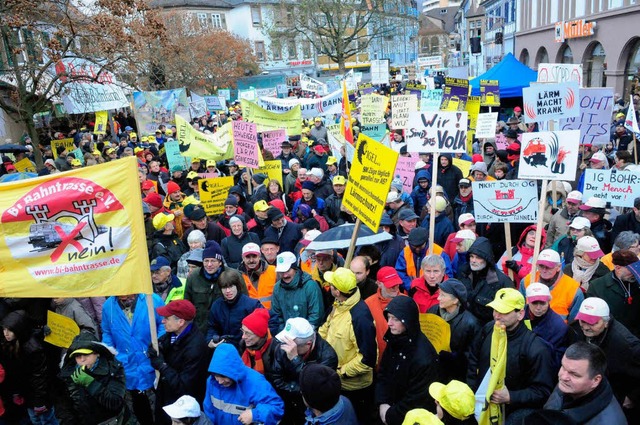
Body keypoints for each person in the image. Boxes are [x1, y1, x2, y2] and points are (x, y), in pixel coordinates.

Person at [467, 288, 556, 423]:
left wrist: (511, 397)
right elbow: (473, 358)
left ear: (520, 314)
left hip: (511, 413)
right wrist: (474, 390)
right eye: (495, 310)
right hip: (481, 407)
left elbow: (543, 392)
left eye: (504, 312)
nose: (497, 316)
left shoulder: (536, 348)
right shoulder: (489, 328)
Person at [319, 268, 378, 423]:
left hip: (355, 389)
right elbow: (324, 330)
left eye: (331, 284)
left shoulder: (359, 317)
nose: (329, 285)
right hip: (337, 382)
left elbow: (368, 360)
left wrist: (340, 372)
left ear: (337, 291)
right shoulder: (338, 305)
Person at [568, 297, 640, 421]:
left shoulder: (625, 344)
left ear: (606, 322)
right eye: (582, 321)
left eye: (591, 323)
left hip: (615, 398)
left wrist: (633, 397)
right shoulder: (576, 329)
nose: (585, 327)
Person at [101, 293, 166, 425]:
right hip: (127, 363)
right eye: (121, 296)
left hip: (152, 360)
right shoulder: (109, 306)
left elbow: (163, 323)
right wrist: (109, 352)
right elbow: (107, 332)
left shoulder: (152, 299)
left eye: (128, 295)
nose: (125, 298)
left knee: (162, 399)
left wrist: (158, 343)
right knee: (139, 401)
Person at [376, 297, 442, 425]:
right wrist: (382, 402)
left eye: (395, 319)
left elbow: (416, 399)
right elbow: (383, 373)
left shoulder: (423, 357)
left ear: (408, 321)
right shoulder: (395, 339)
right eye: (389, 317)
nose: (389, 323)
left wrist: (390, 415)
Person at [148, 300, 209, 425]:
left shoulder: (196, 348)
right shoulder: (173, 334)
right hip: (166, 398)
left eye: (166, 318)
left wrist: (162, 366)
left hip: (180, 409)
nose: (163, 321)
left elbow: (184, 386)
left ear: (180, 322)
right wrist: (158, 346)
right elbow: (167, 342)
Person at [267, 317, 338, 425]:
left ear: (308, 343)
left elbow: (315, 388)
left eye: (292, 344)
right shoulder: (283, 347)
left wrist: (295, 360)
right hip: (288, 406)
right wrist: (298, 390)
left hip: (313, 411)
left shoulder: (328, 356)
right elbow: (276, 380)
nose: (285, 346)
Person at [543, 342, 627, 424]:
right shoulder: (568, 385)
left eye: (574, 374)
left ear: (596, 380)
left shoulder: (610, 421)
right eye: (563, 367)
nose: (563, 377)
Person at [58, 334, 133, 425]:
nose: (82, 360)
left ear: (97, 353)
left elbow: (115, 403)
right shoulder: (67, 375)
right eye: (78, 356)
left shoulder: (112, 368)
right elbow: (64, 408)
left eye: (86, 354)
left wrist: (90, 383)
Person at [1, 310, 58, 425]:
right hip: (27, 393)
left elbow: (40, 377)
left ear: (19, 330)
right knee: (35, 420)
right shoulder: (11, 343)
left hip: (38, 396)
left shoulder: (33, 349)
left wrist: (39, 401)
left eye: (10, 330)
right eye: (4, 329)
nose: (6, 333)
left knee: (47, 421)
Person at [204, 343, 284, 424]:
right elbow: (209, 410)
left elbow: (276, 407)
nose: (220, 382)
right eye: (216, 376)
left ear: (232, 371)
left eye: (223, 376)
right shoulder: (212, 381)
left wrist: (254, 415)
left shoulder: (255, 382)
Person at [184, 241, 246, 334]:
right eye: (206, 261)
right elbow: (187, 306)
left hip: (227, 330)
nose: (209, 265)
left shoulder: (234, 275)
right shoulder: (193, 277)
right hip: (200, 331)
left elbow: (244, 303)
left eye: (213, 261)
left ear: (220, 262)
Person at [427, 279, 481, 382]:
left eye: (443, 295)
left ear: (456, 300)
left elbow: (472, 357)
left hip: (457, 377)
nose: (438, 298)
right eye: (439, 294)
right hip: (434, 372)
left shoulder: (471, 323)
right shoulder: (432, 311)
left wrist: (454, 357)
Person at [457, 236, 514, 323]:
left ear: (487, 259)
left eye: (478, 257)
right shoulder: (463, 273)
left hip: (488, 330)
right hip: (464, 328)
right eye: (471, 256)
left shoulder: (501, 282)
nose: (473, 260)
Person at [519, 249, 584, 323]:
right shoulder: (526, 281)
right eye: (541, 266)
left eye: (548, 267)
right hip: (529, 331)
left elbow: (574, 323)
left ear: (559, 267)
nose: (544, 270)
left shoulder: (573, 289)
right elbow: (519, 312)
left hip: (558, 332)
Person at [587, 250, 640, 337]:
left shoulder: (637, 282)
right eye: (632, 270)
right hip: (611, 337)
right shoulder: (597, 286)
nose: (635, 273)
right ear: (618, 268)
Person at [268, 251, 324, 335]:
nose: (284, 275)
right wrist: (285, 334)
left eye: (287, 271)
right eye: (281, 272)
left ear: (295, 268)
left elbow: (316, 316)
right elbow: (276, 315)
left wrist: (301, 335)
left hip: (307, 337)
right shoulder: (277, 288)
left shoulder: (310, 286)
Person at [206, 270, 262, 350]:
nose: (228, 291)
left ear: (237, 286)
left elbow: (270, 322)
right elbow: (212, 327)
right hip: (225, 349)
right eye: (224, 288)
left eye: (231, 287)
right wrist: (210, 340)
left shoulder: (252, 305)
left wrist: (257, 343)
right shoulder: (217, 305)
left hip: (247, 351)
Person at [364, 267, 405, 367]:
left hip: (403, 362)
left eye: (397, 284)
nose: (395, 288)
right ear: (379, 284)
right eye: (390, 285)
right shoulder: (368, 304)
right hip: (378, 362)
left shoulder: (408, 303)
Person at [524, 282, 568, 367]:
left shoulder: (558, 326)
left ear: (549, 301)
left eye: (542, 303)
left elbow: (557, 359)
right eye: (534, 303)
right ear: (527, 301)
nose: (538, 308)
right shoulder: (518, 317)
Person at [238, 242, 277, 309]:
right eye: (247, 257)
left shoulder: (274, 271)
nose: (251, 260)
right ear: (243, 258)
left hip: (271, 315)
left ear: (259, 256)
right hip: (249, 315)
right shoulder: (238, 276)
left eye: (254, 256)